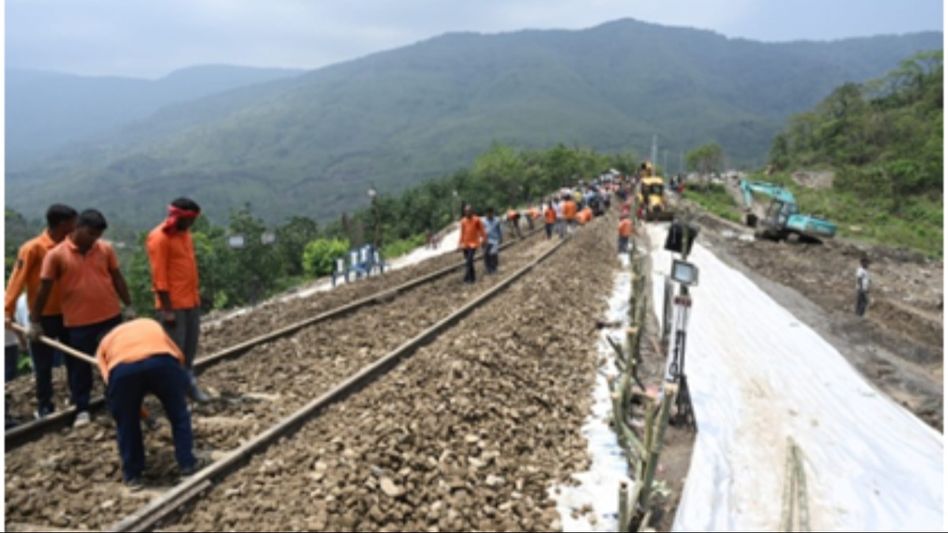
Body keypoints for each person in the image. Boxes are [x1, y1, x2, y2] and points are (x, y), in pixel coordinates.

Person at [32, 209, 135, 427]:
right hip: (78, 322)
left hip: (110, 316)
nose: (93, 240)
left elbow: (117, 277)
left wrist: (128, 305)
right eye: (90, 234)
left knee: (114, 362)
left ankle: (114, 401)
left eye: (97, 235)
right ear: (77, 227)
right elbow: (44, 290)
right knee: (79, 368)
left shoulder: (105, 249)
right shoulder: (56, 255)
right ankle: (82, 408)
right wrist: (35, 321)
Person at [96, 318, 198, 488]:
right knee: (178, 415)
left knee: (127, 425)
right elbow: (177, 356)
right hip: (162, 362)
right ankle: (187, 463)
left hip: (123, 371)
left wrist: (137, 413)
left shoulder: (104, 345)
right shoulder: (149, 323)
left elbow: (111, 386)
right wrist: (180, 388)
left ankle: (133, 475)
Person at [5, 204, 78, 419]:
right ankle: (45, 405)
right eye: (73, 223)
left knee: (73, 360)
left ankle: (76, 397)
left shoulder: (70, 246)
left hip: (68, 313)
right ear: (62, 224)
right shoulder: (34, 248)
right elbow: (16, 280)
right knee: (43, 366)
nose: (76, 227)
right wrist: (7, 311)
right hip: (42, 316)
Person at [145, 198, 209, 403]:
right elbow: (159, 277)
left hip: (191, 301)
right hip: (173, 305)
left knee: (189, 350)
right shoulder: (159, 238)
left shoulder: (185, 235)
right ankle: (172, 394)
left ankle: (189, 385)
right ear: (179, 217)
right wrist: (168, 310)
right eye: (190, 220)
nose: (192, 224)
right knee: (174, 353)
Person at [457, 205, 486, 284]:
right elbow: (462, 234)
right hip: (465, 245)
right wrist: (459, 244)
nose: (467, 212)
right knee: (469, 262)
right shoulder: (463, 221)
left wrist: (483, 239)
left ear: (472, 211)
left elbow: (482, 231)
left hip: (474, 244)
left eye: (469, 211)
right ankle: (473, 278)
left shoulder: (477, 219)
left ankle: (466, 278)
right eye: (466, 211)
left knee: (469, 261)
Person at [482, 208, 503, 274]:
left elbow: (500, 229)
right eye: (488, 213)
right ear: (486, 214)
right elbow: (481, 231)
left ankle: (494, 268)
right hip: (486, 240)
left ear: (492, 213)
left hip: (495, 240)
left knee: (493, 254)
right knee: (486, 255)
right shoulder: (483, 221)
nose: (489, 215)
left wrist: (500, 238)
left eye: (491, 213)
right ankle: (488, 268)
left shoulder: (496, 220)